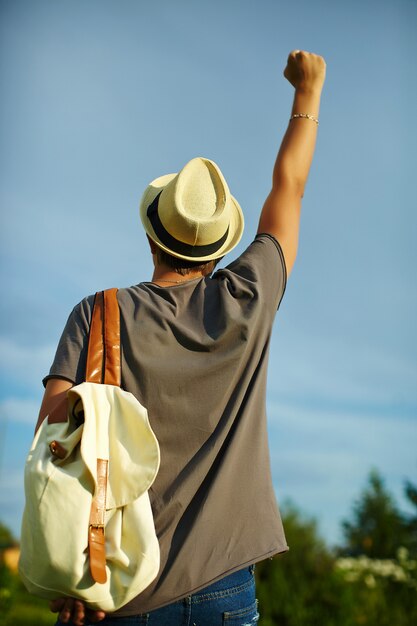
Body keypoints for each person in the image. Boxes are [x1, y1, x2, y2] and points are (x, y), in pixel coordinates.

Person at [37, 49, 326, 626]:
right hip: (226, 589)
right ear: (219, 249)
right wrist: (308, 93)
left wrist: (70, 571)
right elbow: (289, 187)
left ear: (152, 237)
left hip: (120, 591)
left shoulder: (98, 314)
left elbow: (52, 442)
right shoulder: (249, 296)